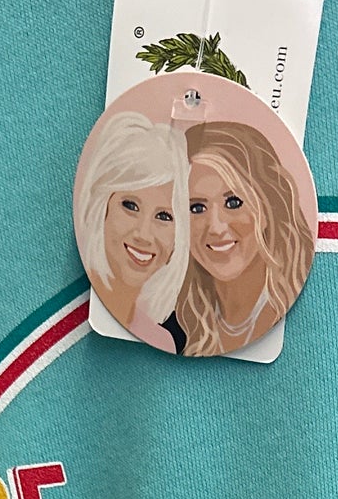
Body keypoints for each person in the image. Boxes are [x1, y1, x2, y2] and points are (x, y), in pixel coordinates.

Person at [176, 119, 315, 356]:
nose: (216, 228)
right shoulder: (175, 323)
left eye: (233, 203)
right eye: (197, 208)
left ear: (268, 205)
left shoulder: (300, 312)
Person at [73, 112, 190, 350]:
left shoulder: (163, 339)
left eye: (164, 216)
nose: (143, 234)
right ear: (101, 206)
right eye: (130, 206)